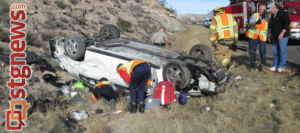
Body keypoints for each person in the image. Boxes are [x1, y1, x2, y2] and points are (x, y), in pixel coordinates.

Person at [267, 3, 290, 72]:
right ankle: (275, 65)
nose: (270, 12)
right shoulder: (273, 15)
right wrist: (270, 35)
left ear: (274, 8)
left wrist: (282, 33)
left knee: (282, 51)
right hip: (275, 36)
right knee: (275, 51)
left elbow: (287, 24)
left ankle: (281, 66)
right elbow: (272, 26)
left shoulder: (283, 13)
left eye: (270, 10)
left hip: (283, 36)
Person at [247, 5, 268, 70]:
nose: (262, 11)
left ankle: (263, 66)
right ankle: (254, 66)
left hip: (262, 37)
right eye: (261, 9)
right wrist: (256, 23)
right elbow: (250, 23)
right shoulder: (255, 15)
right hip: (253, 36)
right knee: (252, 52)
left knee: (262, 51)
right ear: (259, 10)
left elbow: (269, 26)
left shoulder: (267, 17)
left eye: (264, 9)